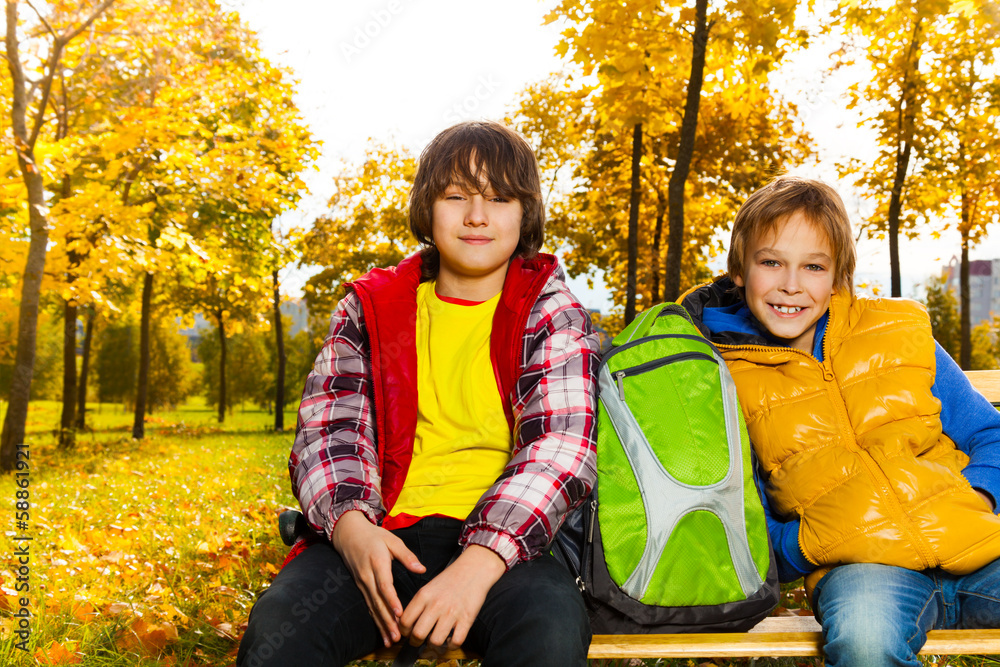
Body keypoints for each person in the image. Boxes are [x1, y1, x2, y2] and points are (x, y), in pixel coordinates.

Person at [236, 120, 599, 667]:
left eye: (499, 198)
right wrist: (354, 534)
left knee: (549, 628)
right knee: (281, 628)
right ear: (428, 208)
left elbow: (561, 448)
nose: (477, 215)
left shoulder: (552, 313)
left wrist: (479, 564)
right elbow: (328, 431)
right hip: (379, 535)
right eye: (457, 196)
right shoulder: (371, 308)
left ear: (525, 214)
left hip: (505, 550)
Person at [680, 175, 1000, 667]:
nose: (791, 284)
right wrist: (806, 545)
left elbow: (988, 433)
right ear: (739, 270)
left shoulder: (897, 333)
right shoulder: (718, 374)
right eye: (771, 262)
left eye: (813, 266)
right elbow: (739, 515)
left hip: (976, 542)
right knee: (866, 643)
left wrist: (978, 495)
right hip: (862, 570)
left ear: (837, 275)